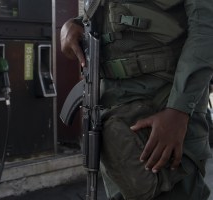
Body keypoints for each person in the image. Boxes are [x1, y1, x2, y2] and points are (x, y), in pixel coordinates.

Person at [60, 0, 213, 199]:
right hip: (113, 120)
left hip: (163, 115)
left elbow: (206, 29)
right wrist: (73, 25)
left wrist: (178, 110)